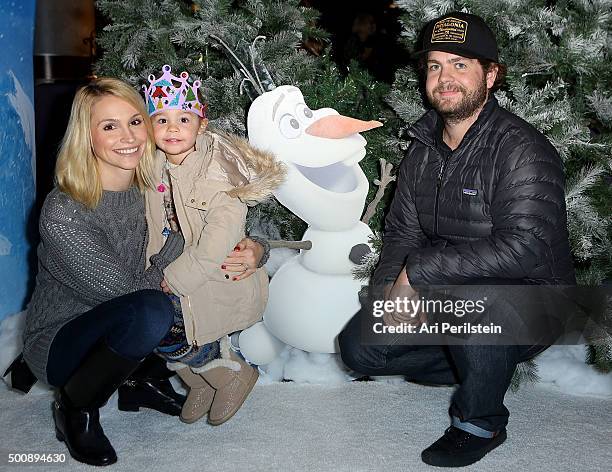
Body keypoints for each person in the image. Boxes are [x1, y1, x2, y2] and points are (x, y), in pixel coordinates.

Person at [338, 12, 575, 468]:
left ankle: (480, 420)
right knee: (361, 347)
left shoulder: (521, 148)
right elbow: (403, 232)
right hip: (451, 291)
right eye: (434, 66)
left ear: (490, 75)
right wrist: (390, 296)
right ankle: (482, 365)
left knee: (477, 304)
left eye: (461, 65)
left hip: (533, 299)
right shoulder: (423, 147)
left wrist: (419, 272)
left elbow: (526, 248)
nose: (444, 78)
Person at [20, 78, 268, 467]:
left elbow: (213, 219)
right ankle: (75, 408)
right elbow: (124, 294)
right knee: (155, 309)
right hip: (62, 340)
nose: (128, 137)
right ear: (86, 137)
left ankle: (138, 382)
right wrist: (178, 242)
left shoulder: (151, 183)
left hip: (130, 319)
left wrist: (254, 248)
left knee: (174, 295)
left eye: (135, 122)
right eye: (109, 126)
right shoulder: (64, 211)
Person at [142, 65, 284, 425]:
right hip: (167, 266)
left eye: (184, 119)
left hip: (208, 276)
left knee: (177, 331)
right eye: (161, 120)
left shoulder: (218, 173)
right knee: (158, 331)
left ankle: (233, 374)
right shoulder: (152, 165)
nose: (172, 128)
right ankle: (200, 382)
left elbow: (216, 243)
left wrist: (176, 278)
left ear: (202, 125)